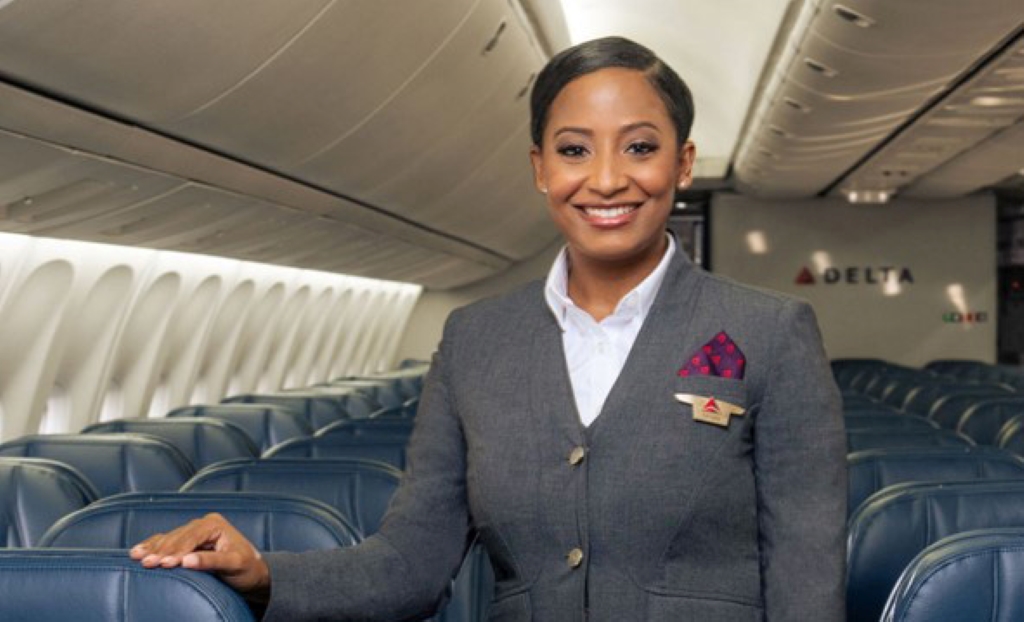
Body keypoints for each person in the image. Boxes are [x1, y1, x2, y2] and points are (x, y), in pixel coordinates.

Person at [131, 36, 847, 621]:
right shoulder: (475, 341)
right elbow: (411, 562)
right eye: (573, 150)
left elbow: (804, 582)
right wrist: (261, 575)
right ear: (539, 169)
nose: (604, 180)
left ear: (682, 163)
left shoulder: (771, 333)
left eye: (638, 147)